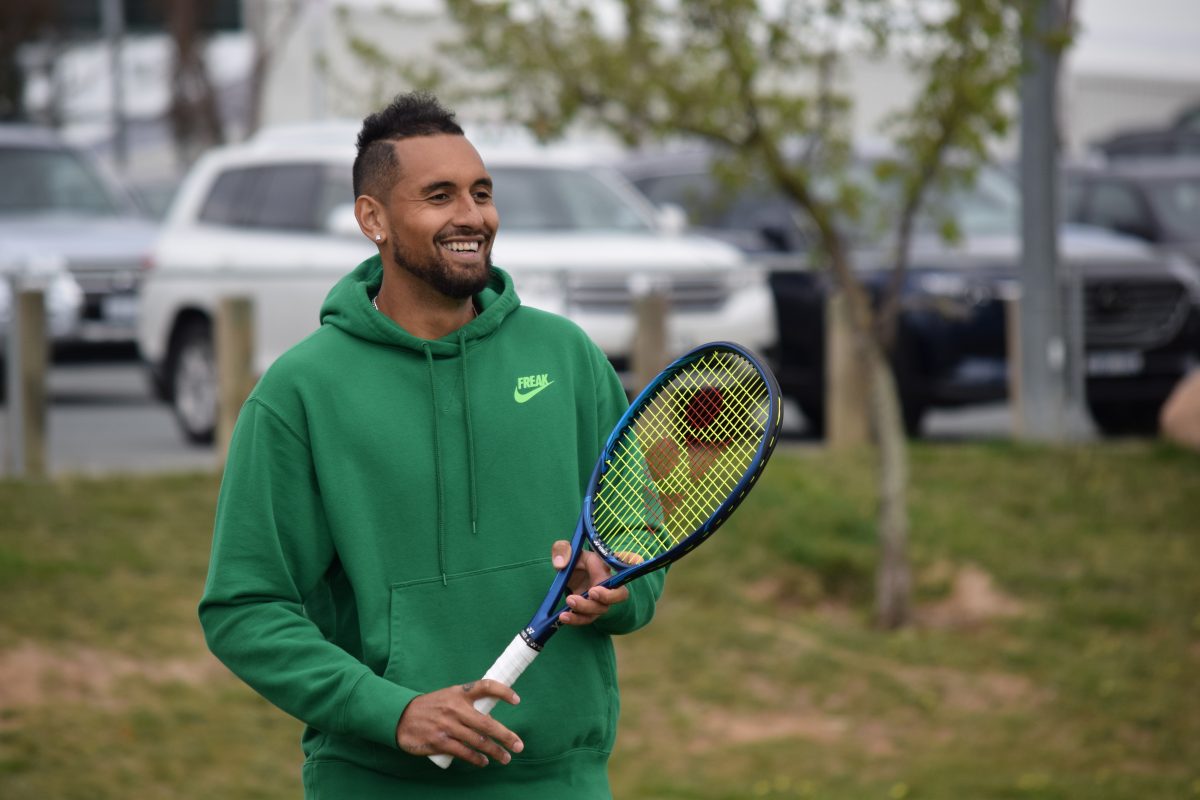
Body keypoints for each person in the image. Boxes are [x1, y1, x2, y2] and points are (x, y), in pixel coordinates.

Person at [198, 91, 665, 798]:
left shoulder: (567, 357)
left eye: (481, 193)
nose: (472, 216)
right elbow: (246, 608)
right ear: (373, 219)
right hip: (377, 780)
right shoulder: (300, 392)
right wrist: (393, 711)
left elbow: (640, 537)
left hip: (561, 779)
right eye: (439, 196)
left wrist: (616, 586)